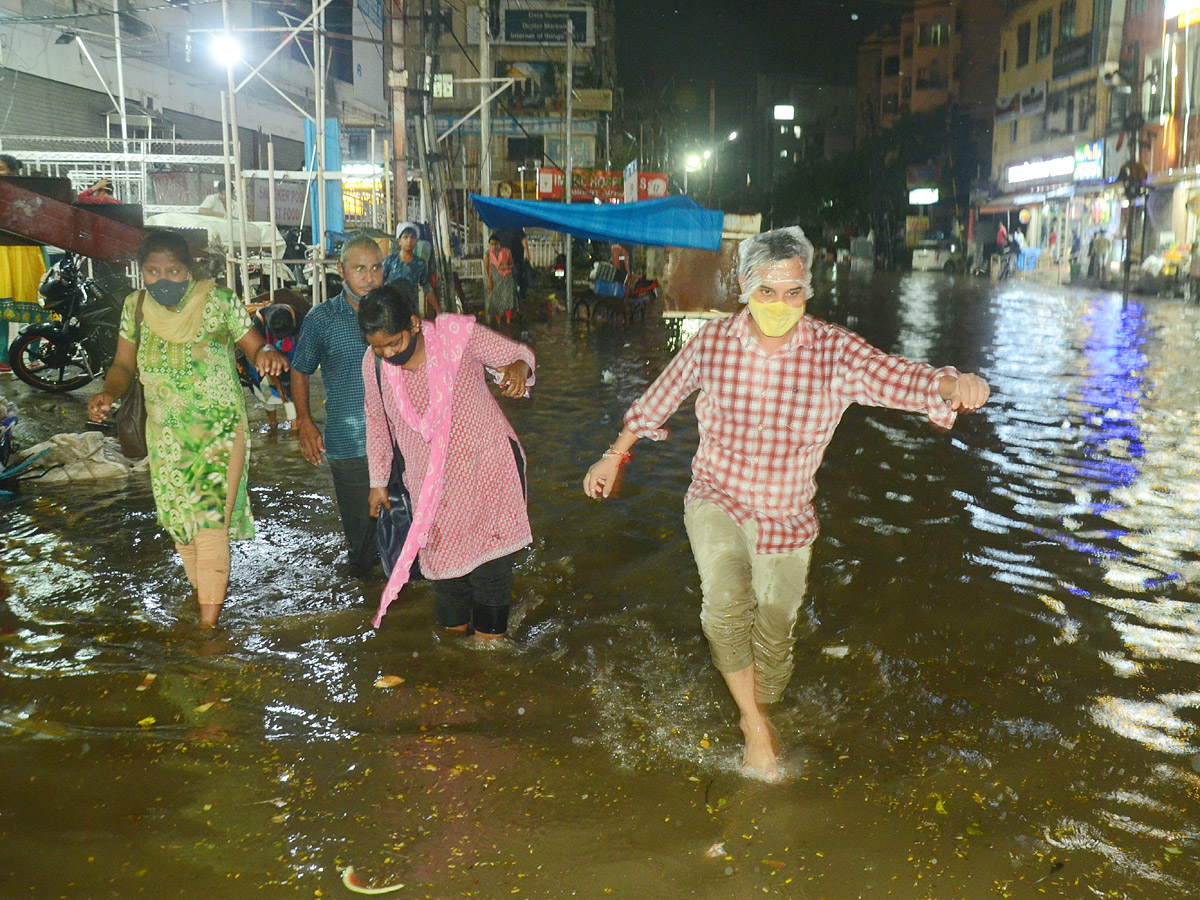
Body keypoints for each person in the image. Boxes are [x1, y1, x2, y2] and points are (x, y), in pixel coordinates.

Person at [582, 227, 990, 782]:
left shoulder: (834, 352)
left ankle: (759, 704)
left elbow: (900, 377)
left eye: (793, 292)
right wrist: (614, 455)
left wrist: (953, 385)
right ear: (744, 288)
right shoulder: (713, 343)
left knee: (774, 647)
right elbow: (658, 398)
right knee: (724, 604)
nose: (780, 305)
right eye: (767, 292)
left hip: (789, 519)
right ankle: (753, 726)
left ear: (808, 292)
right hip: (717, 498)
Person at [87, 230, 287, 626]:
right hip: (166, 436)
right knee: (180, 524)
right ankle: (205, 599)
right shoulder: (136, 306)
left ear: (189, 270)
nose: (163, 279)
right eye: (153, 271)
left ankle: (207, 628)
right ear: (140, 272)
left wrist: (266, 353)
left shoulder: (218, 301)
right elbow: (124, 365)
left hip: (219, 430)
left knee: (210, 524)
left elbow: (253, 345)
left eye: (174, 270)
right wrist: (108, 393)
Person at [360, 281, 535, 640]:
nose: (388, 355)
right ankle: (457, 667)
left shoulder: (457, 338)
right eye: (379, 349)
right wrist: (377, 481)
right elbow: (376, 419)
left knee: (491, 573)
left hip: (487, 471)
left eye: (394, 343)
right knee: (448, 594)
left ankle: (491, 653)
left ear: (412, 324)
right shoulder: (373, 367)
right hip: (432, 491)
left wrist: (518, 369)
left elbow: (520, 355)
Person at [291, 234, 386, 577]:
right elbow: (299, 370)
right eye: (359, 268)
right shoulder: (322, 319)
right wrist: (305, 422)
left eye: (376, 268)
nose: (369, 277)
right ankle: (367, 605)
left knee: (405, 530)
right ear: (341, 270)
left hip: (397, 441)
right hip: (349, 445)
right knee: (362, 539)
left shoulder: (395, 312)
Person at [0, 155, 47, 375]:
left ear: (16, 173)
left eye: (2, 169)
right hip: (2, 252)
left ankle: (34, 355)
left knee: (38, 304)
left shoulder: (29, 194)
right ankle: (2, 359)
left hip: (28, 252)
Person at [383, 223, 440, 317]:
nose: (409, 241)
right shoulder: (390, 260)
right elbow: (380, 282)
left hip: (411, 309)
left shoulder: (419, 264)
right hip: (390, 307)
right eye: (405, 237)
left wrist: (438, 311)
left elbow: (427, 288)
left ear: (416, 241)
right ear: (399, 241)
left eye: (412, 237)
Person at [485, 233, 517, 324]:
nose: (494, 246)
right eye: (492, 244)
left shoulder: (506, 251)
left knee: (508, 299)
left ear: (499, 243)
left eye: (495, 244)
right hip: (495, 280)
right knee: (496, 300)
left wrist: (507, 267)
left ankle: (508, 320)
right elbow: (486, 267)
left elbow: (512, 264)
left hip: (507, 279)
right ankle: (498, 321)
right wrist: (489, 280)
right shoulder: (488, 254)